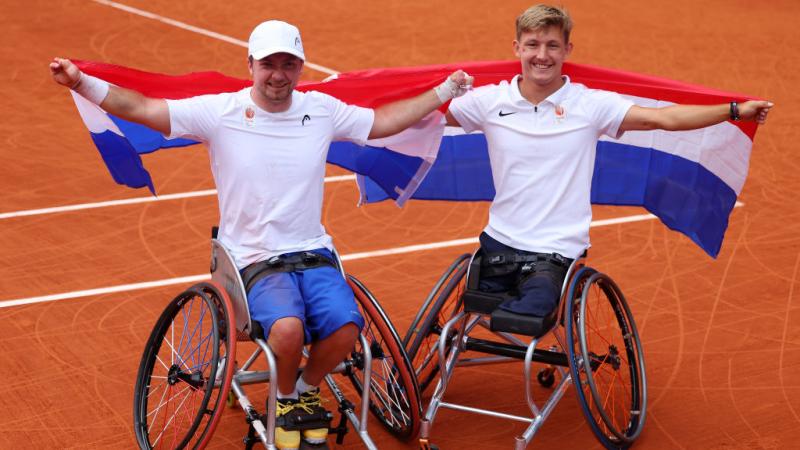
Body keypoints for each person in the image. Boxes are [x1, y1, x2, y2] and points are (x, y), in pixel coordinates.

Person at [51, 20, 471, 450]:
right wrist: (81, 82)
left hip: (312, 253)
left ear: (300, 68)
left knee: (347, 330)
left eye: (288, 64)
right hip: (251, 258)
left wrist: (442, 94)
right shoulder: (219, 112)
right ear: (250, 64)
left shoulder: (321, 110)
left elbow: (383, 122)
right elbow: (141, 108)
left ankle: (301, 388)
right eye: (269, 63)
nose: (278, 74)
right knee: (287, 330)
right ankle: (285, 395)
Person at [445, 4, 772, 319]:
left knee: (523, 314)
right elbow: (428, 115)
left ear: (567, 50)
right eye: (532, 44)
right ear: (517, 48)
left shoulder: (590, 105)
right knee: (462, 313)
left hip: (555, 252)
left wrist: (732, 111)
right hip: (497, 243)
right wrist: (400, 94)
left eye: (552, 45)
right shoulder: (490, 101)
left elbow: (663, 119)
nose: (542, 55)